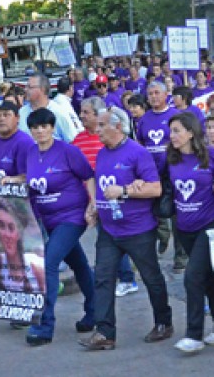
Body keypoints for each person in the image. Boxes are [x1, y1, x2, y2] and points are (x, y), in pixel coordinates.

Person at [80, 107, 174, 351]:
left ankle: (164, 322)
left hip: (138, 229)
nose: (96, 130)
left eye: (102, 125)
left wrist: (125, 191)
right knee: (102, 278)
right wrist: (95, 208)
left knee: (151, 277)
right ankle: (104, 332)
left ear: (118, 126)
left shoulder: (137, 153)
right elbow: (103, 187)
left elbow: (155, 189)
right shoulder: (102, 154)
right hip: (109, 229)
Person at [16, 108, 97, 346]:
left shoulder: (67, 151)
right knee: (79, 264)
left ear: (52, 127)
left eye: (44, 126)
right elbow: (26, 178)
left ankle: (44, 326)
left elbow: (88, 176)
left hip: (72, 217)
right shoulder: (30, 153)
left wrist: (93, 205)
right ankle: (95, 311)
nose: (40, 131)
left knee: (49, 263)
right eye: (35, 127)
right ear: (30, 130)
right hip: (48, 219)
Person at [165, 113, 214, 353]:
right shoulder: (170, 158)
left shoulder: (209, 155)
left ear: (191, 133)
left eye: (176, 130)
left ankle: (193, 335)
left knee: (192, 276)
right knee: (210, 280)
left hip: (210, 224)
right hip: (184, 228)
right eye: (171, 131)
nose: (172, 135)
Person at [73, 97, 139, 297]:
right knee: (106, 239)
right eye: (81, 112)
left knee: (115, 238)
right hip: (92, 199)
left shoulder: (110, 141)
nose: (81, 116)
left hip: (115, 199)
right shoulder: (78, 139)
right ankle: (116, 278)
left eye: (86, 112)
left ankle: (127, 278)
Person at [136, 81, 186, 270]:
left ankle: (180, 257)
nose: (154, 96)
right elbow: (140, 145)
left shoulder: (176, 116)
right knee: (153, 213)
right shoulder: (144, 119)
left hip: (174, 172)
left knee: (177, 216)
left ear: (166, 95)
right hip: (151, 174)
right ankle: (161, 238)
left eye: (157, 92)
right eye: (150, 93)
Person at [0, 198, 45, 292]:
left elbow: (47, 302)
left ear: (19, 232)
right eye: (1, 226)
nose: (7, 235)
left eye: (11, 227)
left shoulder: (36, 267)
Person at [19, 74, 77, 143]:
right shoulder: (21, 112)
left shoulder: (59, 112)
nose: (25, 90)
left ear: (42, 89)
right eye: (26, 87)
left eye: (30, 87)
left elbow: (72, 141)